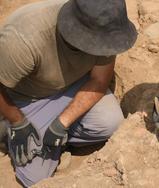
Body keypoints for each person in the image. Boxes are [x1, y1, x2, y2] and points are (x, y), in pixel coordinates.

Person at [0, 0, 137, 186]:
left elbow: (99, 80)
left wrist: (61, 123)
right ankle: (7, 128)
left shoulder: (104, 27)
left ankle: (52, 137)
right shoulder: (23, 39)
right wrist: (18, 122)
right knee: (36, 179)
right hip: (26, 98)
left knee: (110, 123)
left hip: (75, 85)